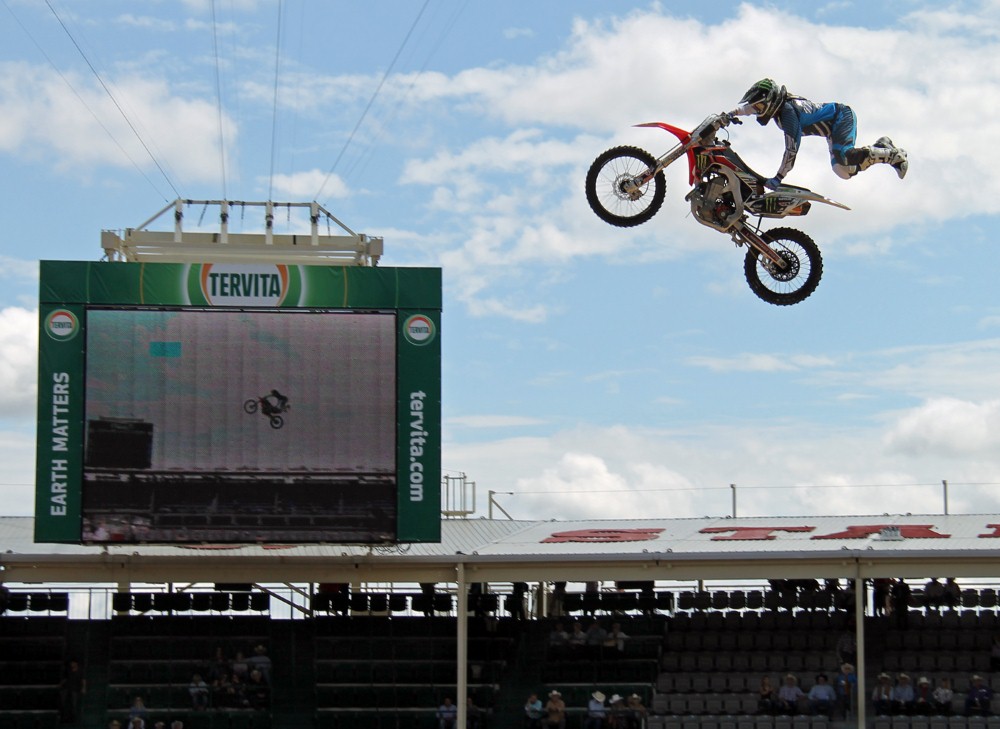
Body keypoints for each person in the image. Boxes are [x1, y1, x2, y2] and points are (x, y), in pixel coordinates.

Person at [729, 78, 907, 188]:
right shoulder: (780, 108)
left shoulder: (788, 113)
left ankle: (893, 155)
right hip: (831, 129)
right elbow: (748, 108)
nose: (757, 111)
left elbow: (791, 150)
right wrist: (730, 115)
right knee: (843, 171)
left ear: (771, 100)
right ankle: (881, 147)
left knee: (844, 155)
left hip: (841, 116)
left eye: (760, 106)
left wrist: (778, 177)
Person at [59, 659, 87, 724]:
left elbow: (83, 680)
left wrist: (84, 688)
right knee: (63, 703)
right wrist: (60, 684)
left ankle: (73, 719)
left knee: (73, 704)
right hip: (66, 688)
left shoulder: (80, 671)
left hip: (74, 689)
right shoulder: (68, 670)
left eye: (73, 663)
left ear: (76, 664)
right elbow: (65, 679)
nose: (72, 665)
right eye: (71, 663)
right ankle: (63, 718)